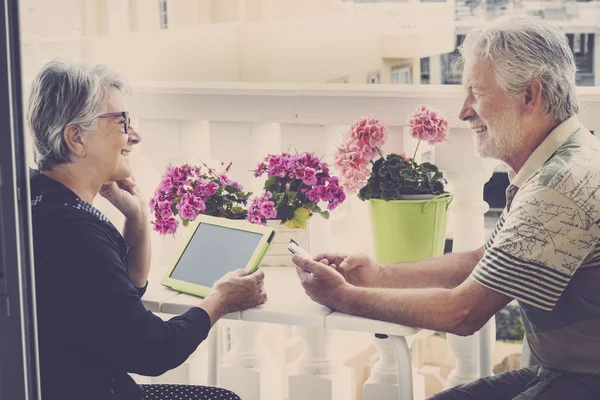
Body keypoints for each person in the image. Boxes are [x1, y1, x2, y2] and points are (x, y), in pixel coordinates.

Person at [292, 16, 600, 399]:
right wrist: (376, 274)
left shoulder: (560, 184)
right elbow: (481, 260)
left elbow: (463, 313)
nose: (465, 111)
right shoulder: (562, 158)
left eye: (477, 92)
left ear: (530, 95)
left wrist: (341, 296)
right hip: (558, 373)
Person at [28, 59, 267, 400]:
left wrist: (137, 219)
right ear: (77, 138)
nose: (134, 136)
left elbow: (122, 296)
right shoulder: (76, 232)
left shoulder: (33, 198)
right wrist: (221, 299)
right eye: (122, 122)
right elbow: (153, 351)